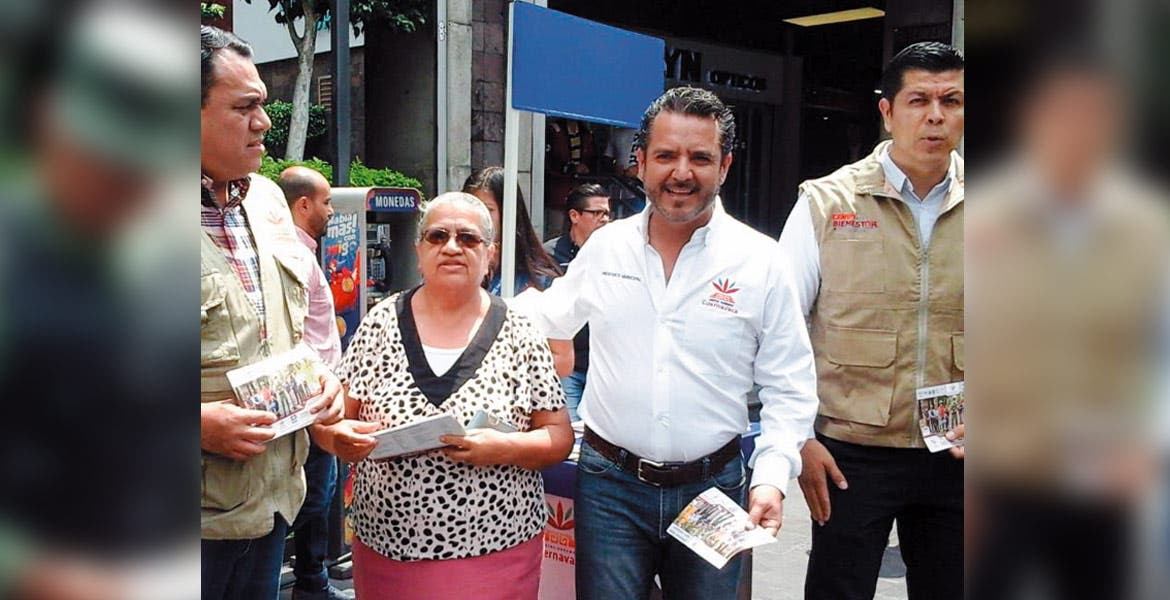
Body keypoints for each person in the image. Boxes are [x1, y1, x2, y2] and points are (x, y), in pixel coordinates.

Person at [512, 86, 818, 599]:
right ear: (640, 163)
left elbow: (790, 384)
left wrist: (770, 475)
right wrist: (455, 308)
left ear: (725, 166)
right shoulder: (607, 248)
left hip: (714, 490)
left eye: (700, 157)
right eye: (666, 156)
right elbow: (547, 314)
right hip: (610, 487)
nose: (682, 172)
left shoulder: (761, 262)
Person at [316, 192, 574, 599]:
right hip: (388, 550)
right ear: (419, 251)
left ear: (490, 253)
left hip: (495, 549)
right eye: (437, 236)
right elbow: (330, 422)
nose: (452, 247)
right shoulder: (380, 323)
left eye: (467, 238)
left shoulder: (520, 332)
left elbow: (558, 436)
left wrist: (505, 448)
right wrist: (338, 439)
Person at [779, 41, 965, 600]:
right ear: (887, 112)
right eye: (919, 100)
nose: (936, 116)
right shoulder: (827, 202)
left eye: (952, 101)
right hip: (848, 450)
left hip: (956, 447)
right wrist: (798, 440)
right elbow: (780, 328)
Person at [200, 26, 345, 600]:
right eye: (245, 108)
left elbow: (286, 329)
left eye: (263, 104)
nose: (263, 122)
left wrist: (319, 379)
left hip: (271, 503)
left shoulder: (265, 200)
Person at [278, 167, 354, 600]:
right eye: (326, 202)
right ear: (303, 204)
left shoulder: (303, 251)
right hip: (310, 400)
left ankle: (312, 580)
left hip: (322, 396)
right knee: (314, 497)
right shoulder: (293, 254)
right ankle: (307, 581)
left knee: (320, 495)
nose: (331, 211)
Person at [462, 166, 573, 377]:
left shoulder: (541, 280)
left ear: (508, 213)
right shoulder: (454, 269)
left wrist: (505, 369)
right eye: (471, 208)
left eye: (487, 210)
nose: (476, 219)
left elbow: (563, 361)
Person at [542, 183, 611, 420]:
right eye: (597, 213)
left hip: (602, 364)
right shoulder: (549, 255)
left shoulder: (615, 254)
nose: (604, 220)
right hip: (566, 364)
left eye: (607, 213)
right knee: (567, 429)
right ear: (574, 216)